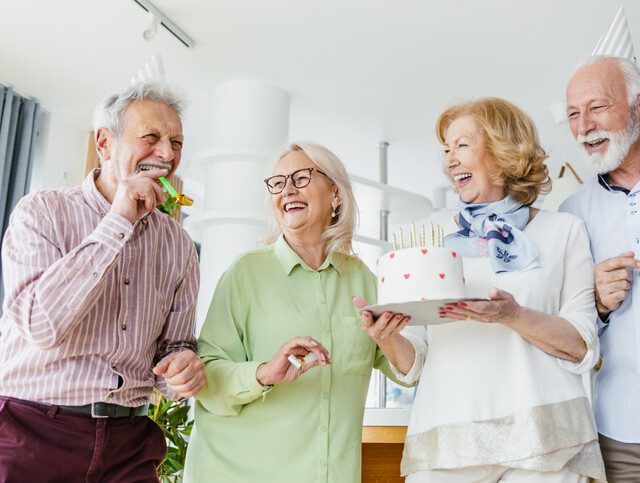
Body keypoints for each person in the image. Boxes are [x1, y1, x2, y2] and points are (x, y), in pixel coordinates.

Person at [354, 98, 606, 482]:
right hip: (448, 438)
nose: (449, 160)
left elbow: (582, 346)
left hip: (546, 438)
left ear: (503, 149)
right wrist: (386, 338)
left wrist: (513, 315)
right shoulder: (427, 235)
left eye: (462, 145)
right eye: (446, 149)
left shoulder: (563, 231)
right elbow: (413, 364)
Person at [0, 80, 205, 482]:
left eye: (176, 142)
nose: (166, 154)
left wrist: (183, 369)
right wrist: (118, 222)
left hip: (129, 445)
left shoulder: (178, 244)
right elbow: (41, 325)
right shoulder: (41, 213)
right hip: (31, 431)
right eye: (151, 138)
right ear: (104, 143)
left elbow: (172, 354)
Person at [184, 142, 402, 483]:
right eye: (277, 182)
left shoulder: (364, 280)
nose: (287, 189)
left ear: (335, 194)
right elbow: (207, 377)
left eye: (301, 178)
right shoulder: (246, 272)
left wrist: (389, 340)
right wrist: (265, 373)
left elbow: (408, 371)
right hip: (237, 473)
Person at [560, 55, 640, 482]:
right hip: (621, 432)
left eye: (598, 106)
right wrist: (598, 305)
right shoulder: (572, 215)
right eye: (574, 113)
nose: (584, 125)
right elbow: (570, 332)